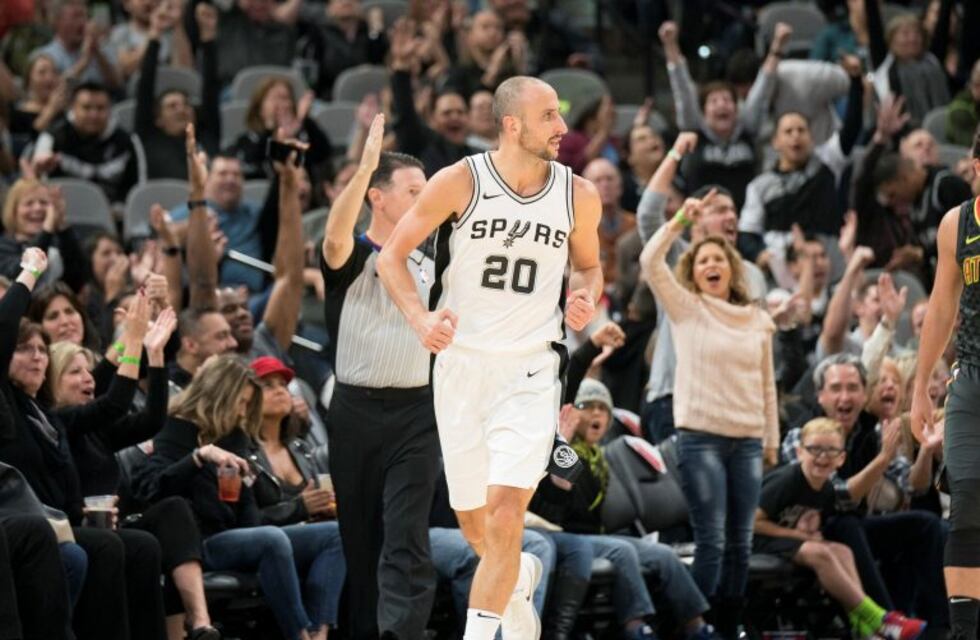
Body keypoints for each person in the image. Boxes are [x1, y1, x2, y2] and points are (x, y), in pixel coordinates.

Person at [377, 75, 603, 640]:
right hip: (461, 366)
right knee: (477, 524)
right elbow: (392, 258)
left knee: (507, 513)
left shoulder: (579, 194)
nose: (563, 128)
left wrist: (586, 298)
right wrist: (420, 317)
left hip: (532, 367)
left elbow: (591, 267)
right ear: (512, 124)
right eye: (550, 116)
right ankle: (518, 575)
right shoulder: (460, 182)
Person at [320, 113, 440, 640]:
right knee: (361, 543)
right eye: (414, 190)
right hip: (354, 413)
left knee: (407, 535)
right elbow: (331, 239)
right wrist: (365, 165)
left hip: (417, 414)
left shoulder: (438, 262)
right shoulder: (353, 258)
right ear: (379, 198)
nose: (425, 199)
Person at [639, 188, 778, 636]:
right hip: (700, 438)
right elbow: (649, 260)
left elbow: (767, 386)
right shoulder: (686, 309)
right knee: (712, 541)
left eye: (719, 260)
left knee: (741, 542)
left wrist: (772, 439)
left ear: (732, 269)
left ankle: (728, 626)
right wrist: (681, 219)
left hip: (749, 439)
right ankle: (694, 629)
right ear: (693, 273)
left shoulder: (756, 318)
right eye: (703, 262)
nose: (712, 265)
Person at [134, 354, 338, 640]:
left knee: (336, 535)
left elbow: (250, 512)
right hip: (198, 542)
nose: (243, 412)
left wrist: (248, 481)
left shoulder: (234, 436)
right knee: (272, 539)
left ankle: (320, 630)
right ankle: (300, 635)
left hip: (238, 534)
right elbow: (151, 488)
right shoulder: (178, 428)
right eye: (241, 403)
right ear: (219, 395)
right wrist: (199, 457)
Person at [755, 418, 926, 639]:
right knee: (819, 552)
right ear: (799, 453)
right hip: (753, 540)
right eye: (814, 449)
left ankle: (860, 625)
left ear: (841, 458)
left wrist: (809, 529)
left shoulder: (825, 489)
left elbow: (816, 513)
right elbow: (752, 522)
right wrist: (797, 534)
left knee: (843, 551)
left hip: (783, 540)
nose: (822, 456)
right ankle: (878, 618)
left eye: (831, 451)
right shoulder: (788, 479)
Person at [910, 136, 980, 640]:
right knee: (967, 505)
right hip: (971, 378)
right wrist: (920, 388)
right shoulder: (958, 223)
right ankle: (962, 630)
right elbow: (940, 308)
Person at [247, 355, 345, 638]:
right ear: (247, 397)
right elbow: (246, 520)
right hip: (267, 541)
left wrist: (324, 508)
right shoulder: (243, 451)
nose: (280, 390)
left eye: (283, 384)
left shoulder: (302, 450)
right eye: (268, 385)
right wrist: (299, 507)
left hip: (309, 540)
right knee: (338, 536)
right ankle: (317, 633)